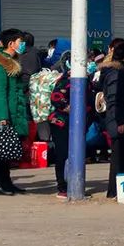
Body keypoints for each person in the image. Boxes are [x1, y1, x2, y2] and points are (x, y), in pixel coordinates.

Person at [0, 29, 30, 196]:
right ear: (11, 44)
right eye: (20, 42)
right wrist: (3, 117)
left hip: (12, 111)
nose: (22, 45)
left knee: (6, 150)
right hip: (1, 113)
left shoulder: (12, 61)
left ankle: (7, 182)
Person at [48, 51, 95, 199]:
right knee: (62, 154)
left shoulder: (87, 78)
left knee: (76, 154)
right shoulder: (67, 78)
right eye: (86, 61)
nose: (88, 63)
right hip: (61, 123)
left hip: (77, 124)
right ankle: (62, 186)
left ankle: (73, 184)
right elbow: (56, 97)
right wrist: (70, 108)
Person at [97, 41, 124, 199]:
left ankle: (120, 190)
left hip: (118, 119)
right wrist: (121, 121)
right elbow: (115, 99)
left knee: (123, 156)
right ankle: (114, 191)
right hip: (118, 120)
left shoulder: (115, 70)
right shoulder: (118, 73)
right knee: (119, 158)